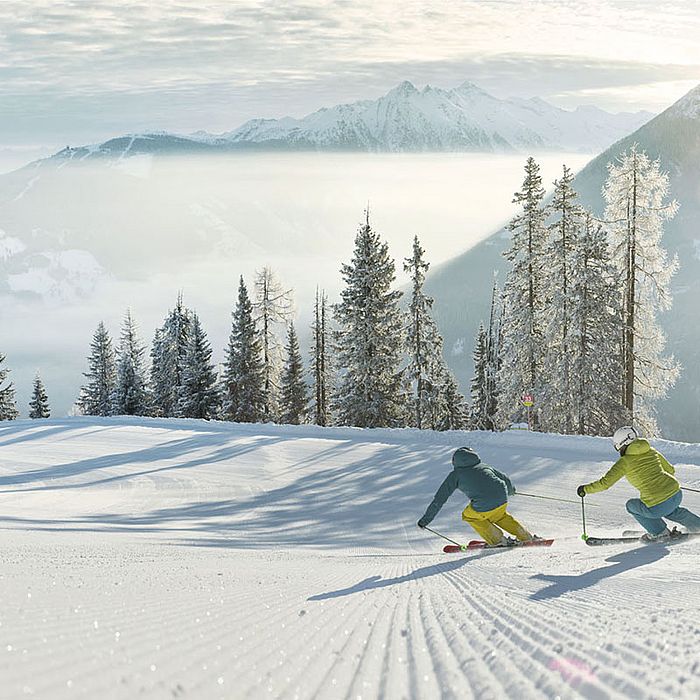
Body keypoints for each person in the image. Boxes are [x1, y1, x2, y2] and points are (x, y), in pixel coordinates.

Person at [577, 426, 700, 541]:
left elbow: (605, 484)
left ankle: (659, 532)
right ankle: (697, 526)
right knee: (671, 510)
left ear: (622, 444)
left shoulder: (625, 462)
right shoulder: (651, 451)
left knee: (631, 505)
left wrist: (585, 489)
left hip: (658, 505)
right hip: (676, 494)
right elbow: (670, 470)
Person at [417, 446, 535, 546]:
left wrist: (425, 521)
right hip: (502, 499)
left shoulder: (456, 475)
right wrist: (511, 491)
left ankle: (498, 540)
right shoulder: (484, 466)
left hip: (484, 504)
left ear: (455, 461)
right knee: (499, 516)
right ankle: (526, 537)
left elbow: (439, 499)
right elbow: (504, 479)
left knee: (469, 515)